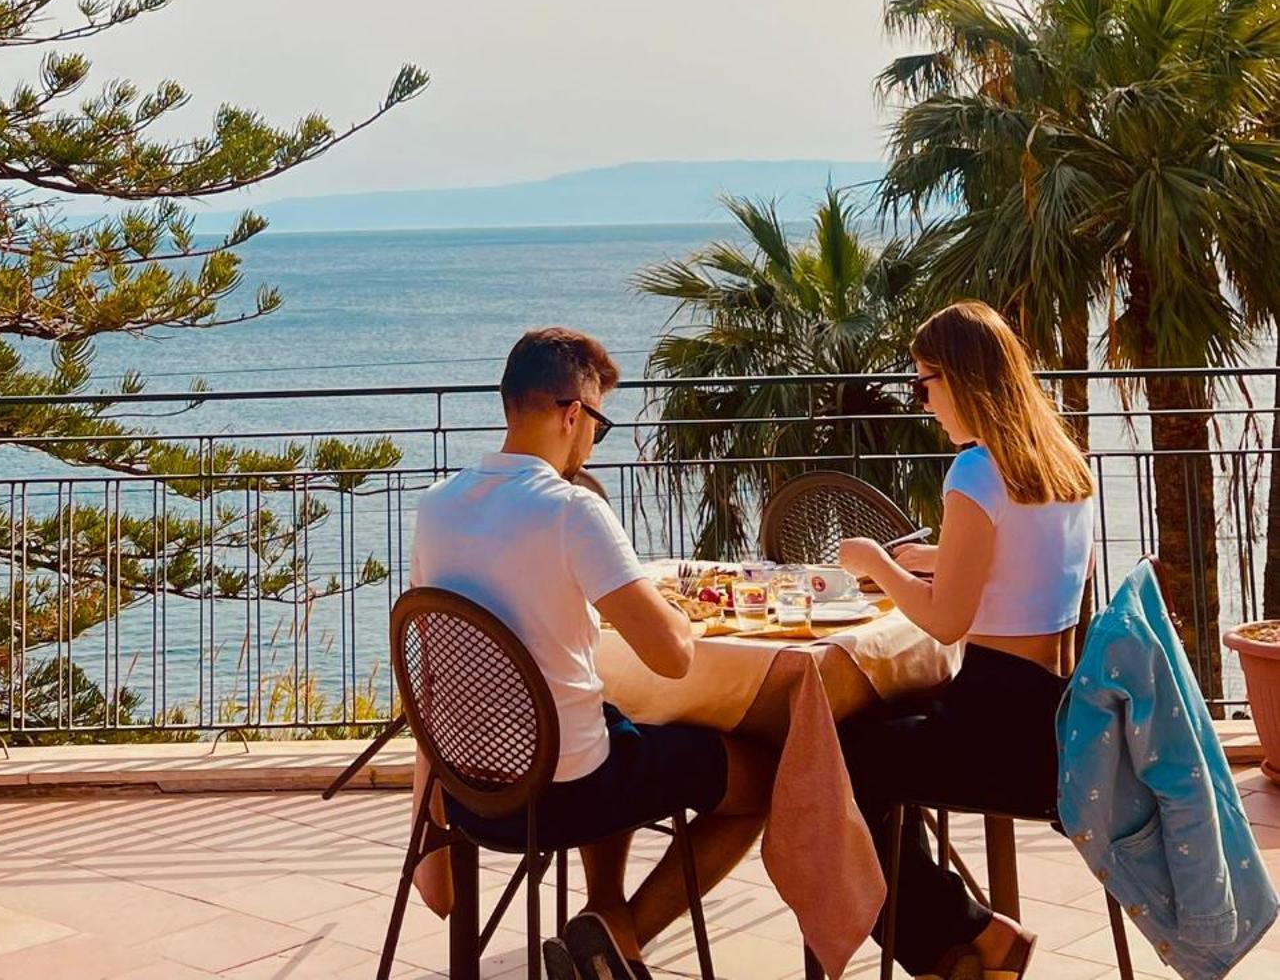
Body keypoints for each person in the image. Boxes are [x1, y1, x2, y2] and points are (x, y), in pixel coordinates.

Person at [411, 327, 772, 980]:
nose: (592, 444)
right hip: (563, 794)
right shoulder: (573, 510)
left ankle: (606, 933)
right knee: (762, 781)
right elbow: (672, 658)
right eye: (599, 428)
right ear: (574, 413)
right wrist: (673, 612)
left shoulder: (436, 507)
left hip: (469, 791)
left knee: (619, 729)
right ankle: (622, 927)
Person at [836, 300, 1096, 980]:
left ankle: (963, 941)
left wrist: (879, 565)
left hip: (996, 731)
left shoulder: (977, 472)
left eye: (925, 382)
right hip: (1055, 720)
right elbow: (1028, 572)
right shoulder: (1061, 463)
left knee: (833, 763)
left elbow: (947, 622)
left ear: (963, 379)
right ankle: (960, 942)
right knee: (867, 739)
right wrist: (941, 558)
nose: (923, 401)